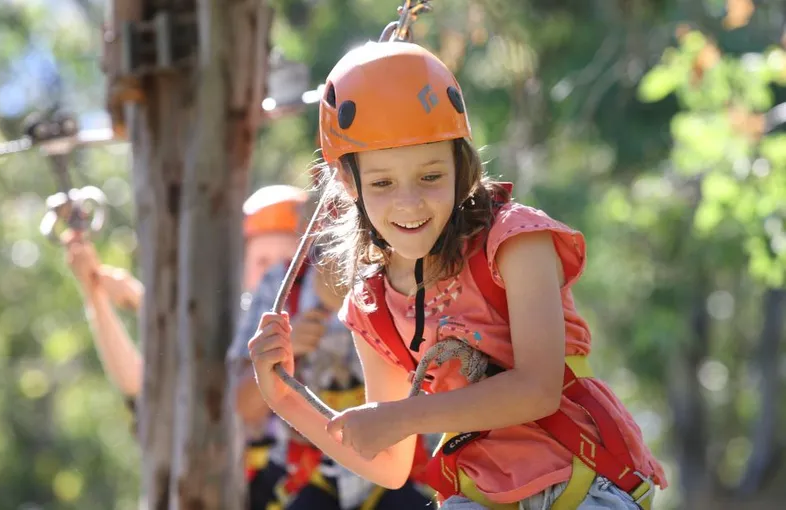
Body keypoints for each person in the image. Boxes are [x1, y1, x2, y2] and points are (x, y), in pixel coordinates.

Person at [246, 41, 667, 510]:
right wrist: (284, 399)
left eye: (430, 176)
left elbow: (537, 389)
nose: (409, 203)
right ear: (350, 184)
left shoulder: (515, 241)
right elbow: (389, 463)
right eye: (383, 182)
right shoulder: (373, 304)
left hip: (584, 486)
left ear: (460, 167)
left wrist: (403, 416)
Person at [62, 184, 308, 507]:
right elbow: (139, 382)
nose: (276, 276)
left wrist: (141, 301)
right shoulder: (228, 331)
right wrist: (96, 296)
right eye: (263, 262)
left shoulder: (334, 326)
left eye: (288, 263)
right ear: (242, 264)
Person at [228, 246, 435, 510]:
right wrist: (282, 348)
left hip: (406, 474)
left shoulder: (412, 274)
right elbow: (243, 405)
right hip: (307, 476)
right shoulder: (283, 282)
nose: (332, 213)